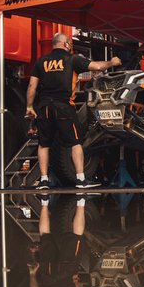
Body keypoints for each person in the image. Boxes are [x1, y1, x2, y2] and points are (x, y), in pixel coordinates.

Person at [25, 32, 121, 188]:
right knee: (75, 143)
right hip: (64, 107)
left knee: (43, 144)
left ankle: (43, 180)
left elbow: (32, 86)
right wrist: (112, 62)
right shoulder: (72, 59)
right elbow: (96, 66)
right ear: (66, 44)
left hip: (44, 107)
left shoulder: (41, 62)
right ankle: (81, 179)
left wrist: (29, 107)